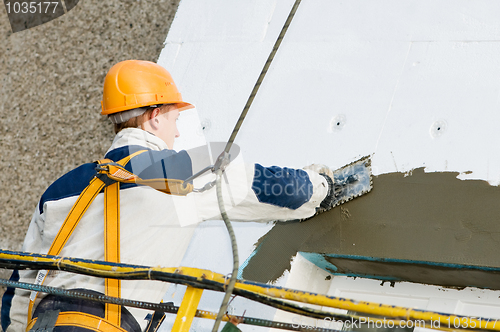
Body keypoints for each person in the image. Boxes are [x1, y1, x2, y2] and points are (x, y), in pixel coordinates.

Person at [1, 60, 336, 332]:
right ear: (154, 117)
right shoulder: (174, 175)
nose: (177, 132)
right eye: (175, 119)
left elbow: (21, 286)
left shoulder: (58, 191)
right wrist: (322, 186)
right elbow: (262, 187)